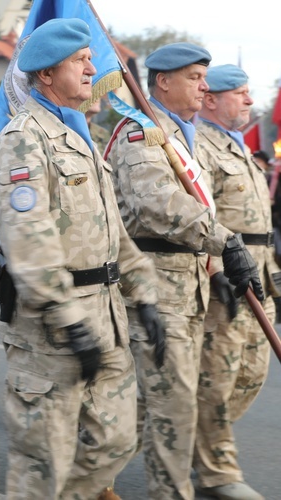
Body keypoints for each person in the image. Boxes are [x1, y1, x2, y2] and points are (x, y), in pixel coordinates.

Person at [0, 19, 163, 498]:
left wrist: (145, 293)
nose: (92, 68)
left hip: (105, 314)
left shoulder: (81, 137)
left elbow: (114, 234)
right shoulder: (24, 140)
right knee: (42, 461)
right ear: (46, 74)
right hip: (51, 326)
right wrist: (67, 315)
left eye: (90, 58)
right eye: (79, 60)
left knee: (117, 439)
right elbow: (27, 240)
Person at [105, 43, 263, 499]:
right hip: (155, 284)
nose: (203, 86)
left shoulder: (178, 133)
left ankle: (82, 479)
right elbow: (156, 204)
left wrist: (215, 268)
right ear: (163, 81)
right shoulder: (143, 132)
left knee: (152, 405)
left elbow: (202, 203)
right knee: (171, 408)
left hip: (188, 286)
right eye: (194, 77)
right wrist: (225, 241)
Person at [192, 64, 277, 500]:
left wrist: (274, 277)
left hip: (258, 274)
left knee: (251, 374)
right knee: (217, 378)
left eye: (248, 92)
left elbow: (259, 225)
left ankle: (194, 438)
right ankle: (216, 471)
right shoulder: (198, 144)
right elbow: (201, 217)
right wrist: (214, 269)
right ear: (211, 99)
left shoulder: (236, 146)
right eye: (239, 93)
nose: (248, 100)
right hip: (225, 277)